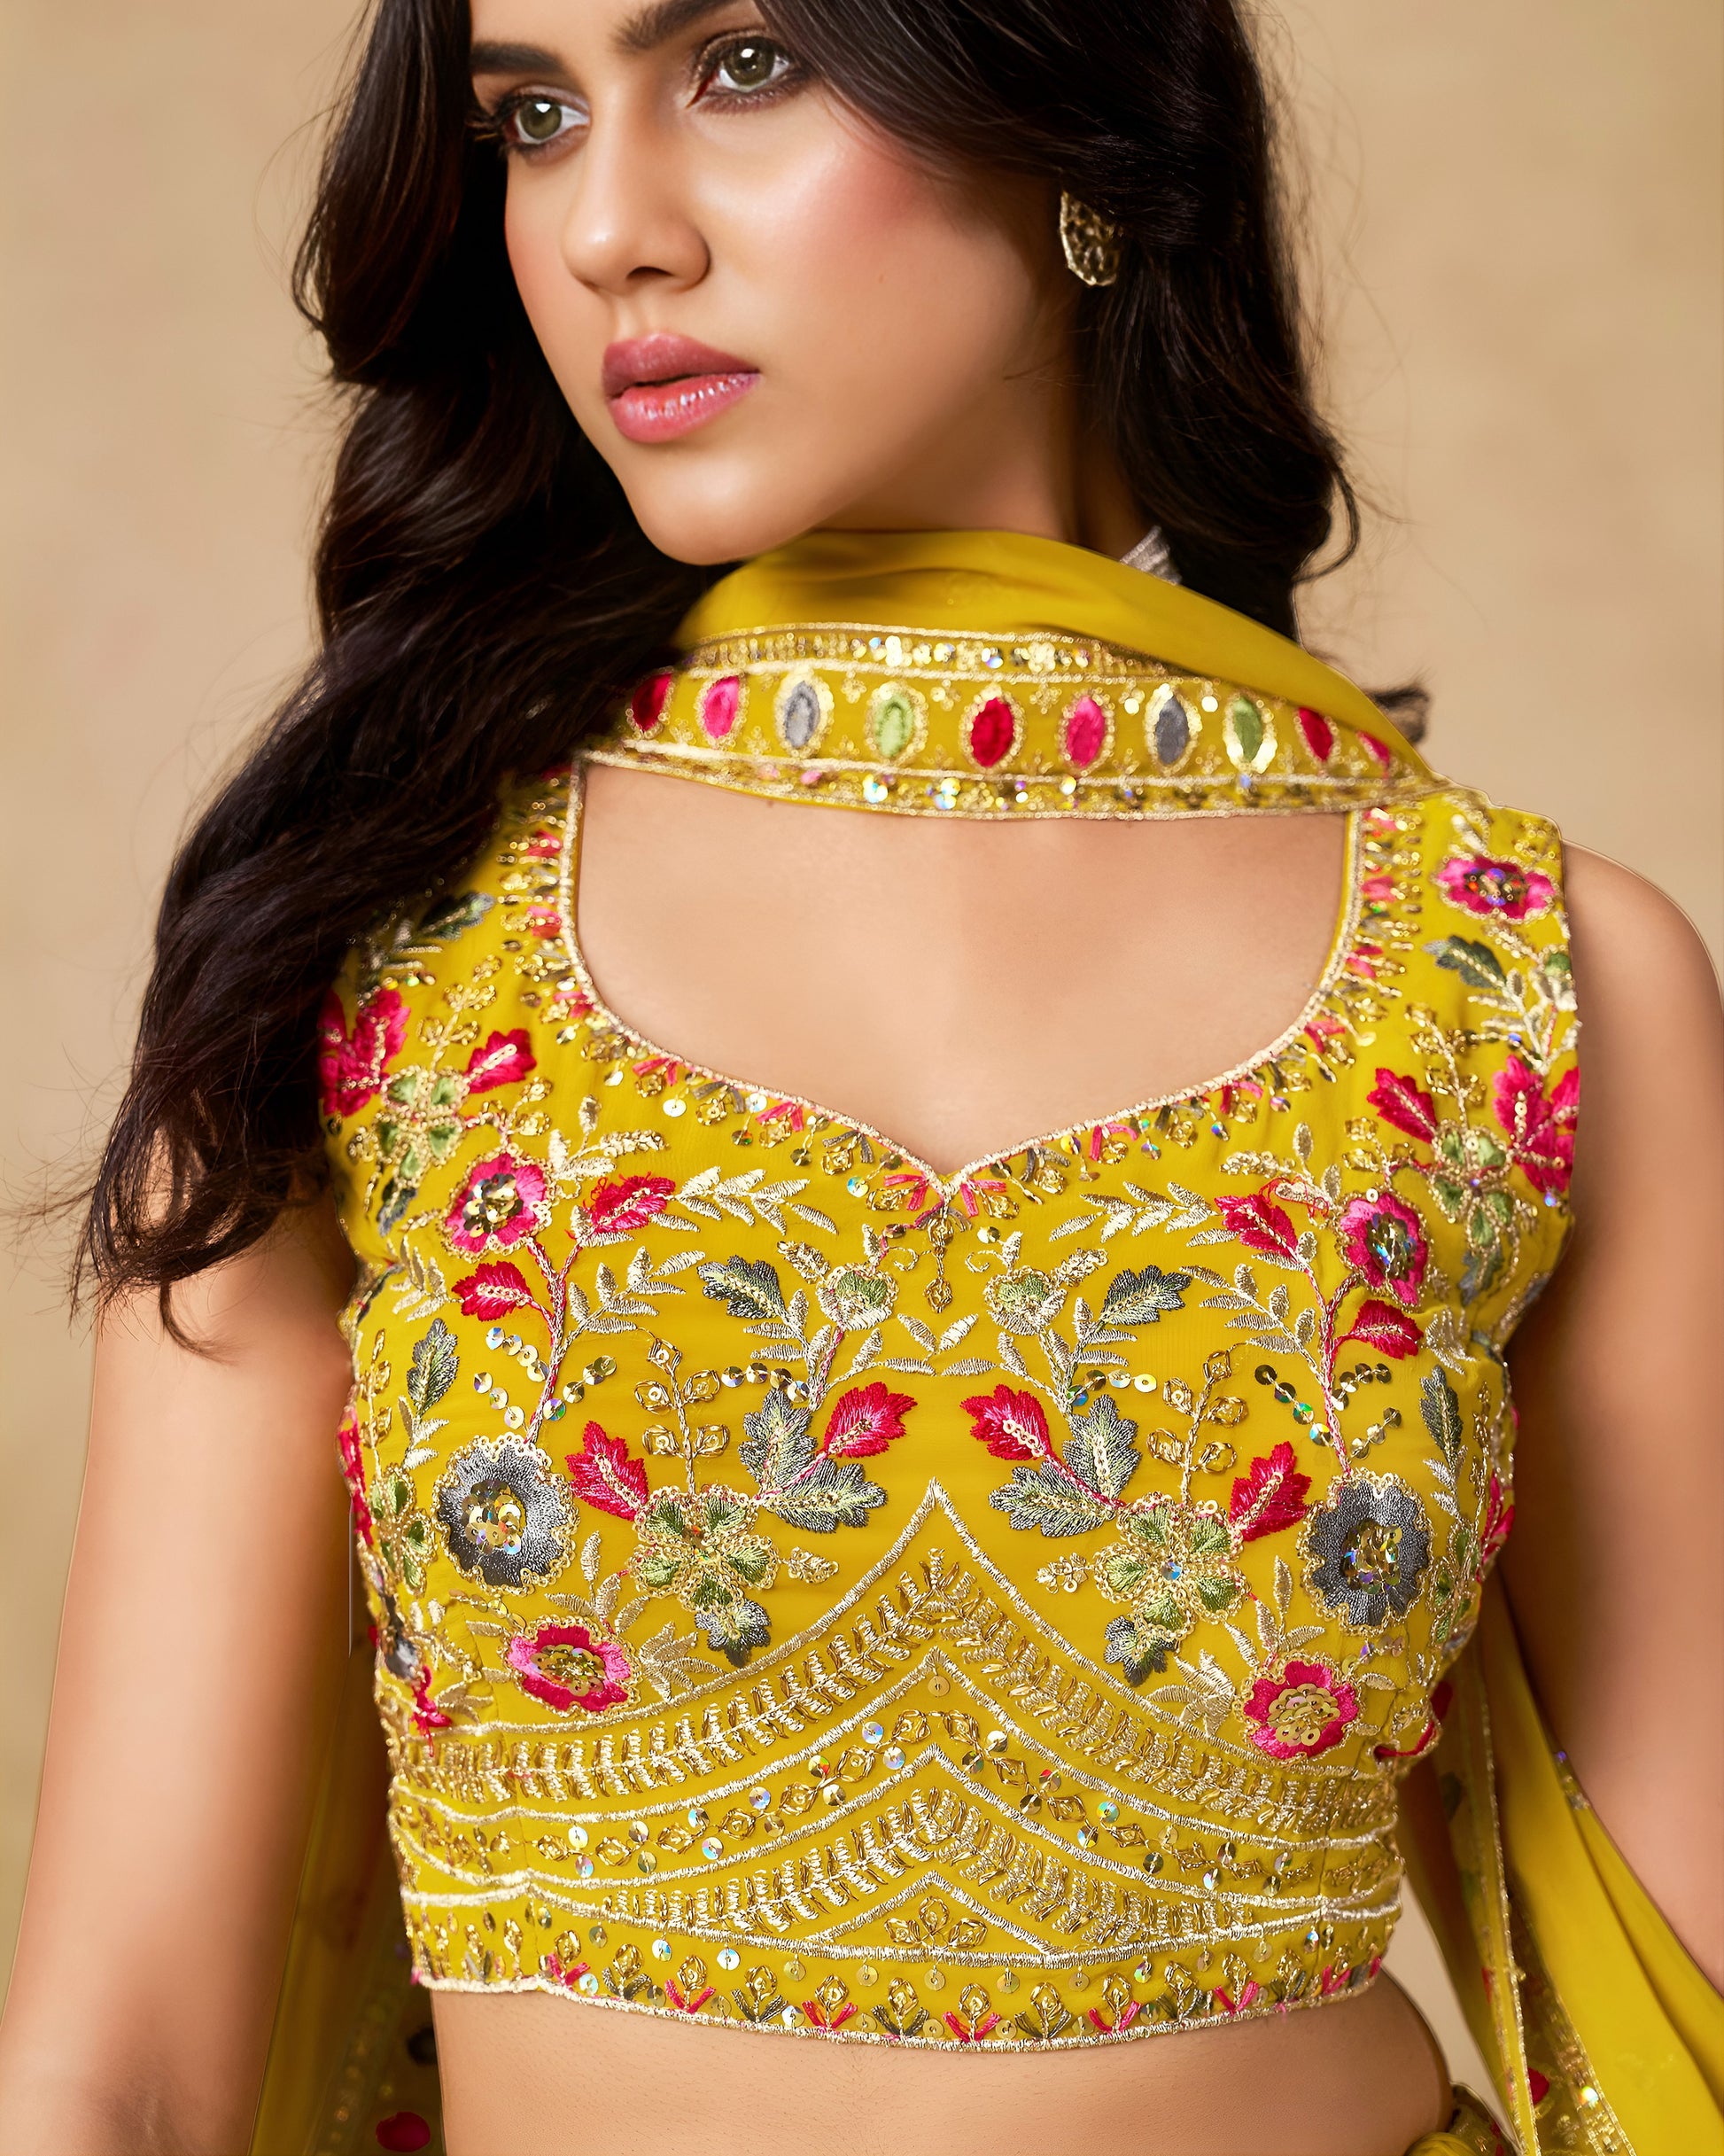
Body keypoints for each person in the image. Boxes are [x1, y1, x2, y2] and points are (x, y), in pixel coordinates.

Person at [0, 0, 1719, 2150]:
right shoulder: (360, 941)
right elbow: (120, 2069)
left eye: (734, 66)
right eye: (532, 116)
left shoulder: (1526, 985)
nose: (610, 228)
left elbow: (1682, 2023)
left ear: (1073, 118)